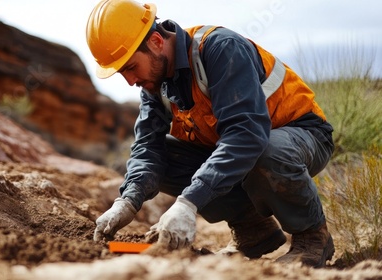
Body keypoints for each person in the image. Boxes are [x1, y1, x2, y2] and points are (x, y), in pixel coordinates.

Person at [86, 0, 335, 268]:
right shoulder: (155, 85)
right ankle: (254, 231)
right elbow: (148, 146)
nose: (130, 81)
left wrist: (188, 203)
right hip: (252, 148)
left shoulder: (220, 49)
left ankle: (312, 237)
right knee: (165, 158)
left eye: (131, 68)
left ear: (157, 41)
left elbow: (246, 135)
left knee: (267, 150)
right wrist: (128, 200)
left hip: (301, 136)